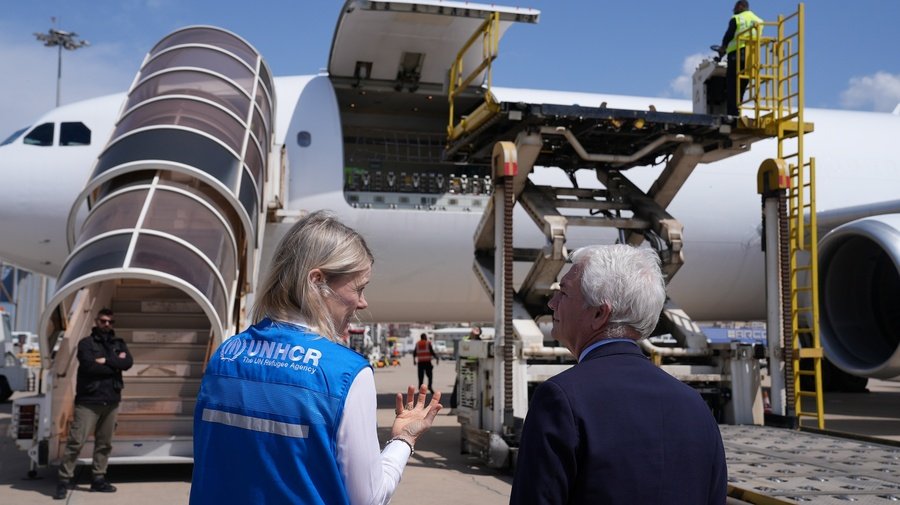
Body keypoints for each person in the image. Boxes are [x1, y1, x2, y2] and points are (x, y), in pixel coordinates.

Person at [190, 211, 442, 505]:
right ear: (317, 281)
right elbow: (368, 498)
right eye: (359, 288)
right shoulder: (345, 373)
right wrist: (403, 440)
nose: (363, 302)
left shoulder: (226, 354)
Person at [509, 244, 727, 505]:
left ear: (599, 313)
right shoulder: (694, 405)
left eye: (564, 293)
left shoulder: (561, 399)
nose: (551, 303)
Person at [55, 308, 133, 500]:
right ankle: (64, 480)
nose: (107, 324)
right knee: (75, 442)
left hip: (111, 401)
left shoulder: (118, 343)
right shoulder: (86, 343)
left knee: (104, 444)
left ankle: (98, 478)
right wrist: (114, 364)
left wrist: (105, 361)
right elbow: (89, 366)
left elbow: (127, 363)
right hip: (88, 402)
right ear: (96, 321)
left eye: (110, 322)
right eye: (103, 321)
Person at [718, 0, 763, 116]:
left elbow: (729, 35)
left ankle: (732, 113)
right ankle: (738, 108)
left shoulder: (737, 18)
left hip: (737, 54)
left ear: (740, 6)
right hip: (751, 56)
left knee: (732, 84)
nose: (734, 10)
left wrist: (723, 48)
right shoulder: (758, 20)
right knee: (743, 83)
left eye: (735, 8)